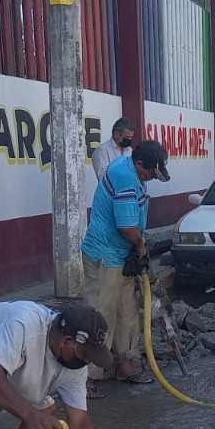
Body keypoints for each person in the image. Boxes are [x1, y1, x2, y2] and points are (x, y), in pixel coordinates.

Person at [81, 140, 171, 391]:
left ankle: (125, 365)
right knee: (100, 314)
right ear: (140, 164)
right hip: (104, 255)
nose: (152, 177)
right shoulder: (124, 176)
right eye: (150, 173)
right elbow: (126, 226)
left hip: (121, 254)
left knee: (128, 312)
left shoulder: (134, 171)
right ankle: (85, 376)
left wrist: (136, 247)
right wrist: (141, 247)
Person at [91, 117, 135, 182]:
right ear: (116, 134)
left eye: (131, 137)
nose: (129, 140)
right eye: (126, 137)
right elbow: (103, 177)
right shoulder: (102, 151)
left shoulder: (130, 151)